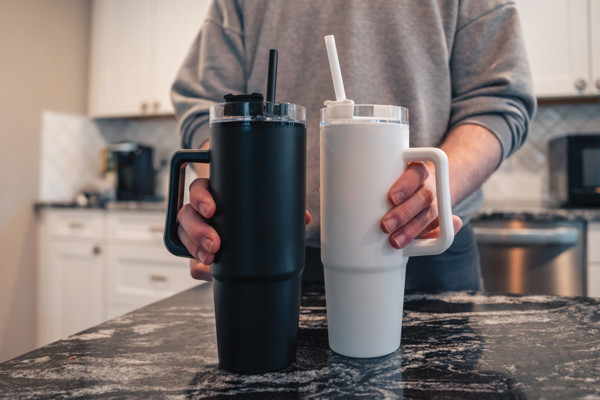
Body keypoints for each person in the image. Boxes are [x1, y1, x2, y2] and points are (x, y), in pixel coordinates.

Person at [171, 0, 536, 291]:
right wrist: (233, 198)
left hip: (427, 253)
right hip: (271, 257)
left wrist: (436, 189)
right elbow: (202, 106)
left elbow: (499, 102)